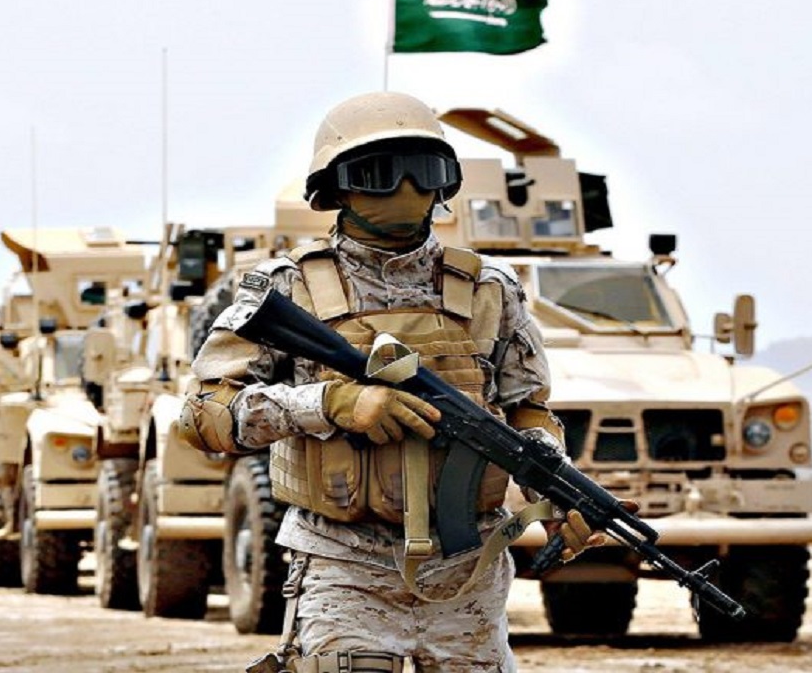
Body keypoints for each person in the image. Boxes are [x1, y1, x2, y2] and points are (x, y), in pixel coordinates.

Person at [181, 91, 611, 673]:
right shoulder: (287, 287)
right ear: (336, 186)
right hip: (343, 565)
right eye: (380, 172)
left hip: (469, 569)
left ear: (446, 182)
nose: (407, 189)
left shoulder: (490, 289)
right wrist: (331, 404)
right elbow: (204, 416)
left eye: (424, 170)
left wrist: (557, 491)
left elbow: (528, 411)